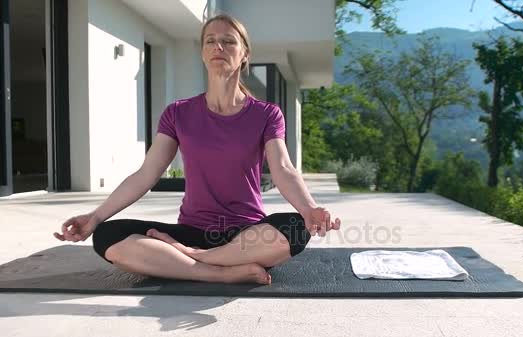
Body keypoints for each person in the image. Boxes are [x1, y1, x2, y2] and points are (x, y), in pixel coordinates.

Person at [53, 14, 340, 285]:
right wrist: (96, 217)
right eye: (210, 40)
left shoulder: (266, 114)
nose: (219, 46)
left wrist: (308, 209)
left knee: (295, 228)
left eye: (229, 41)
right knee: (107, 235)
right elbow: (146, 175)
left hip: (244, 238)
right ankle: (218, 274)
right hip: (191, 230)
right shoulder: (178, 113)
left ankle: (193, 259)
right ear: (203, 53)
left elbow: (284, 169)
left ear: (244, 55)